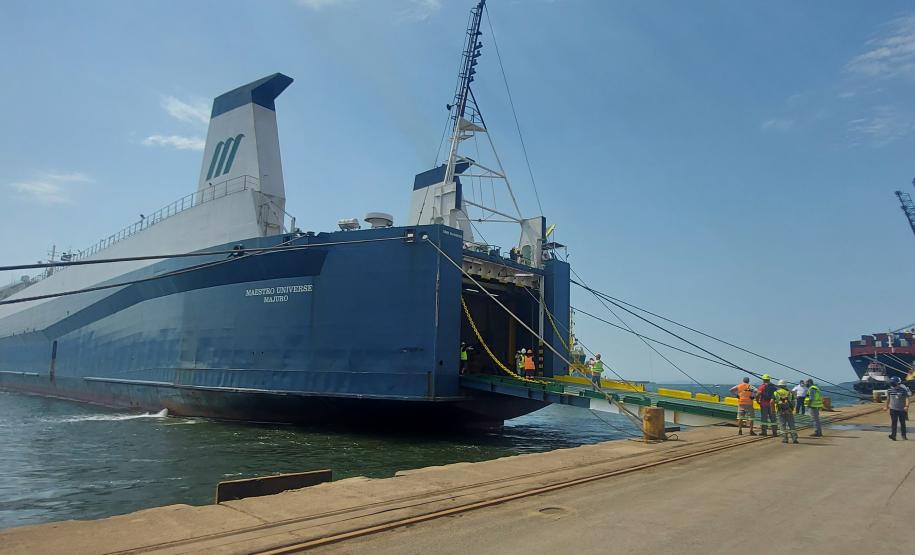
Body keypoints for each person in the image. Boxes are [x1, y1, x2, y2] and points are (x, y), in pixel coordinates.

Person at [884, 376, 911, 441]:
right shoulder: (889, 390)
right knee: (894, 423)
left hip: (902, 409)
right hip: (893, 409)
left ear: (898, 383)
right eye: (891, 383)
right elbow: (888, 399)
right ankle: (893, 436)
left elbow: (907, 398)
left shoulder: (903, 390)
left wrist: (907, 406)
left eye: (893, 383)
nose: (892, 384)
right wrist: (886, 407)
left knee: (902, 423)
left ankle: (903, 435)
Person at [772, 379, 799, 444]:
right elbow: (793, 402)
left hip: (780, 411)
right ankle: (794, 438)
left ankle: (785, 439)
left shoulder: (776, 392)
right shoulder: (789, 393)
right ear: (785, 385)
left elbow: (771, 402)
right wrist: (792, 409)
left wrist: (773, 410)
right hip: (789, 411)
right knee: (791, 425)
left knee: (782, 425)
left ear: (779, 385)